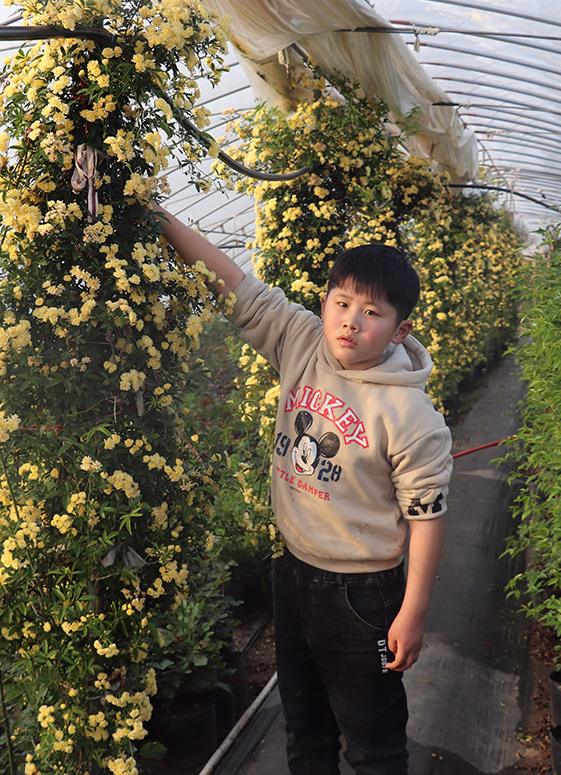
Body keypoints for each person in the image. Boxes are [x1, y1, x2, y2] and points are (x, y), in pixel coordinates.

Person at [154, 204, 452, 775]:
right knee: (304, 730)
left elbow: (427, 517)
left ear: (400, 330)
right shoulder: (301, 342)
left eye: (372, 313)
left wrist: (412, 612)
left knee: (372, 744)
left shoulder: (410, 414)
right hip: (292, 574)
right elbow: (235, 286)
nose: (351, 322)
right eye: (342, 304)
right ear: (324, 303)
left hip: (362, 594)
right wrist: (160, 219)